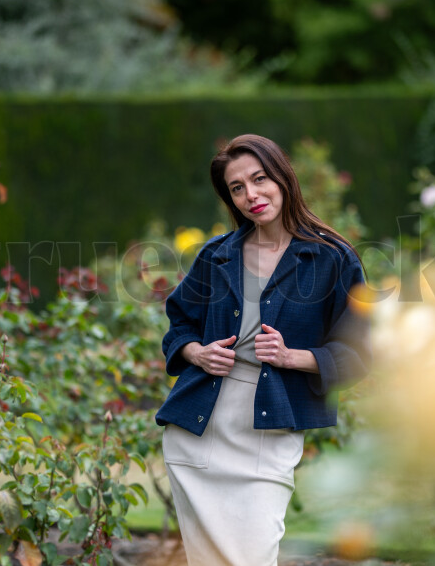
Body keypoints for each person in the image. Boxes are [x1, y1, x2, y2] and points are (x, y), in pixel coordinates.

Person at [155, 134, 370, 566]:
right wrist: (196, 352)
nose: (251, 195)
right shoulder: (216, 255)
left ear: (283, 178)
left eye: (259, 179)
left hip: (268, 434)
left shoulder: (333, 259)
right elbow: (179, 321)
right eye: (237, 188)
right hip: (197, 433)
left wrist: (295, 357)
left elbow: (362, 352)